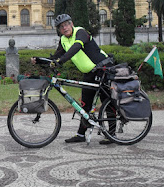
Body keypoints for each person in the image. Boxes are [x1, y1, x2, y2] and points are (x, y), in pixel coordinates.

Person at [31, 14, 114, 144]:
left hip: (103, 68)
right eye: (61, 27)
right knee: (85, 104)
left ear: (71, 24)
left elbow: (76, 48)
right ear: (59, 30)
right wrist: (39, 60)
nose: (64, 28)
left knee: (106, 101)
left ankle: (112, 135)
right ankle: (81, 135)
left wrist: (61, 61)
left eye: (66, 25)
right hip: (89, 73)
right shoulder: (63, 40)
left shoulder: (80, 32)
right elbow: (55, 57)